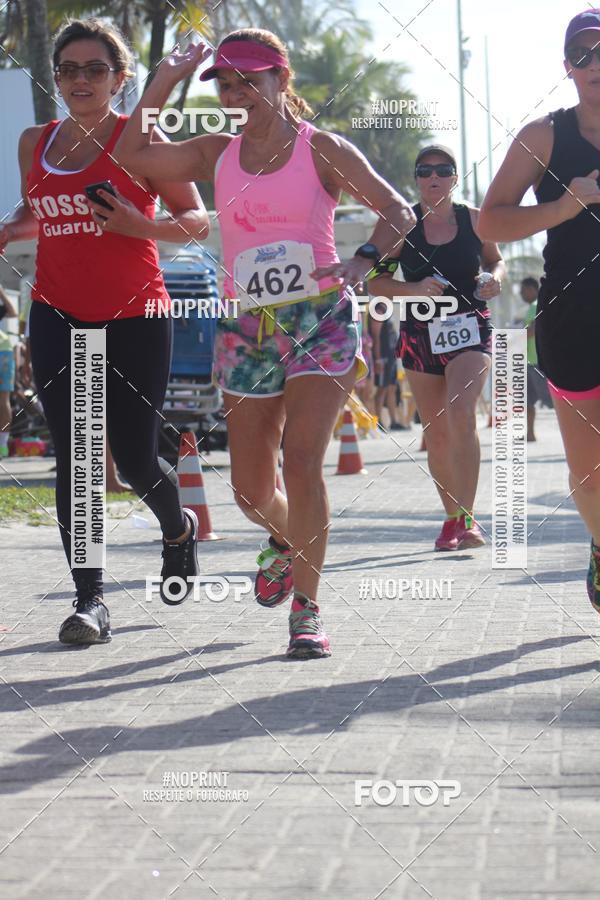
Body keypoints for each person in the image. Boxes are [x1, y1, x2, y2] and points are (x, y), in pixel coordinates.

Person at [115, 28, 416, 658]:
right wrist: (166, 80)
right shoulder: (212, 154)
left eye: (249, 80)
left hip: (321, 319)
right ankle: (287, 539)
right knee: (251, 492)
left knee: (304, 460)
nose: (236, 93)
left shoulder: (322, 150)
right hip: (247, 326)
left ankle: (306, 611)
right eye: (225, 83)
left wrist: (363, 260)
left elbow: (397, 211)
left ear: (282, 80)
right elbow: (131, 154)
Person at [0, 18, 209, 644]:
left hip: (136, 314)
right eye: (69, 69)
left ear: (120, 79)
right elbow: (42, 210)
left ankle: (179, 530)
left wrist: (137, 228)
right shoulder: (33, 140)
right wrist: (10, 225)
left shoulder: (138, 139)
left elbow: (196, 219)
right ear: (57, 78)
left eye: (96, 69)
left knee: (137, 457)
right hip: (57, 312)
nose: (81, 80)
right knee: (78, 459)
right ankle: (90, 599)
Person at [479, 8, 600, 614]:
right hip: (574, 314)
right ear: (568, 67)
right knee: (587, 471)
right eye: (584, 53)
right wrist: (562, 209)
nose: (596, 63)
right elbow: (490, 218)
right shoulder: (545, 136)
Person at [369, 145, 505, 551]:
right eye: (425, 170)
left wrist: (493, 279)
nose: (434, 177)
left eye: (443, 170)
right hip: (419, 333)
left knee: (462, 414)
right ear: (416, 178)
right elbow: (374, 281)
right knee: (437, 433)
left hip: (470, 328)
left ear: (455, 177)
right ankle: (451, 519)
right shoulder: (402, 225)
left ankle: (469, 520)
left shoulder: (475, 220)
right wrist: (412, 288)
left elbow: (496, 260)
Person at [520, 276, 552, 441]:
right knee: (527, 400)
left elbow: (533, 329)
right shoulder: (532, 307)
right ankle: (530, 434)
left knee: (551, 400)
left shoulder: (535, 305)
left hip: (537, 362)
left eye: (523, 290)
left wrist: (515, 336)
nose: (521, 293)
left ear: (532, 289)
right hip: (529, 361)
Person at [369, 302, 405, 429]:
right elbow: (375, 336)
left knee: (392, 388)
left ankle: (393, 421)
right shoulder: (378, 310)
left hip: (392, 356)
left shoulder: (387, 310)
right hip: (383, 357)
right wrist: (378, 359)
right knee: (381, 389)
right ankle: (378, 422)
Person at [0, 285, 18, 458]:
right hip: (4, 349)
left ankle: (3, 445)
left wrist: (1, 292)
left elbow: (13, 312)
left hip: (3, 349)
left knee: (4, 398)